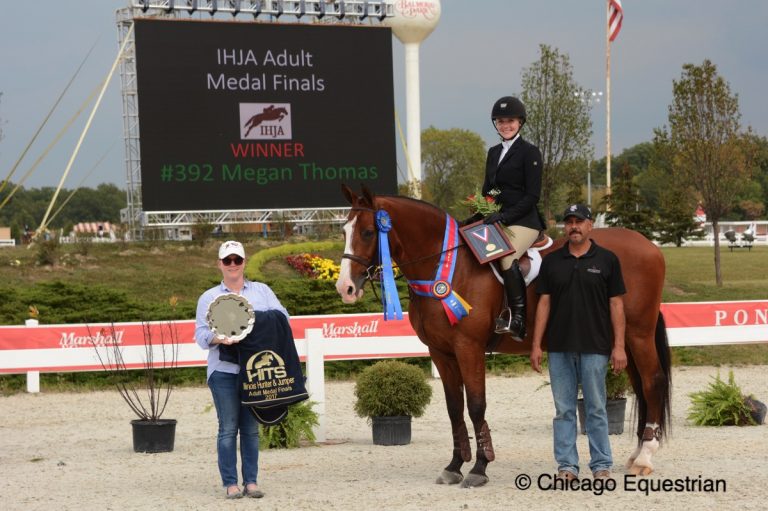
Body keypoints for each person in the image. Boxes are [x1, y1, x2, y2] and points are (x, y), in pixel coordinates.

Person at [530, 204, 627, 481]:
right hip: (559, 347)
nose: (574, 226)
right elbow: (544, 303)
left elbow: (617, 304)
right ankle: (567, 467)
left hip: (596, 347)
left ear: (590, 225)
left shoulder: (607, 260)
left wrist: (618, 346)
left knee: (596, 407)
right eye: (569, 222)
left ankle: (601, 465)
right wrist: (537, 344)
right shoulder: (552, 262)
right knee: (563, 410)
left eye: (579, 221)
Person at [195, 240, 289, 499]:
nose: (233, 265)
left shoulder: (262, 292)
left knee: (250, 428)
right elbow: (201, 336)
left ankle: (251, 482)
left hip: (254, 371)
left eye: (237, 260)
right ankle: (230, 483)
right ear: (220, 265)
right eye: (228, 261)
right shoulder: (209, 298)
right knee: (228, 428)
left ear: (245, 262)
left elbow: (283, 318)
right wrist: (219, 337)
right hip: (223, 370)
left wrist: (252, 322)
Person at [469, 96, 546, 339]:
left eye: (510, 121)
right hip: (497, 219)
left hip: (524, 221)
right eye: (501, 121)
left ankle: (519, 319)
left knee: (506, 256)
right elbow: (489, 190)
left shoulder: (530, 152)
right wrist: (480, 210)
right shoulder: (493, 153)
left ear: (520, 122)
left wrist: (503, 215)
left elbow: (532, 196)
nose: (506, 125)